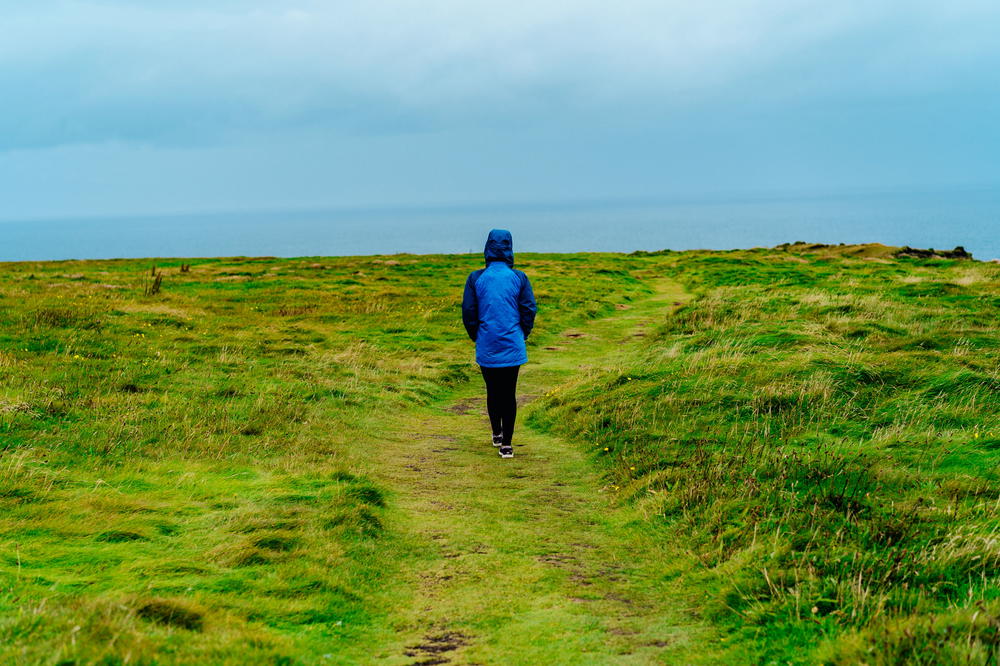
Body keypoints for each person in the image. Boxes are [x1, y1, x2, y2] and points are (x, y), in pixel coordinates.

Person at [462, 229, 537, 459]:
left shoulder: (476, 278)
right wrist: (522, 334)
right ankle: (507, 445)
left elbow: (469, 311)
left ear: (487, 248)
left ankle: (496, 433)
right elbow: (529, 309)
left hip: (487, 342)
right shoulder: (519, 277)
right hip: (512, 342)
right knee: (509, 392)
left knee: (492, 390)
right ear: (509, 248)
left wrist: (476, 335)